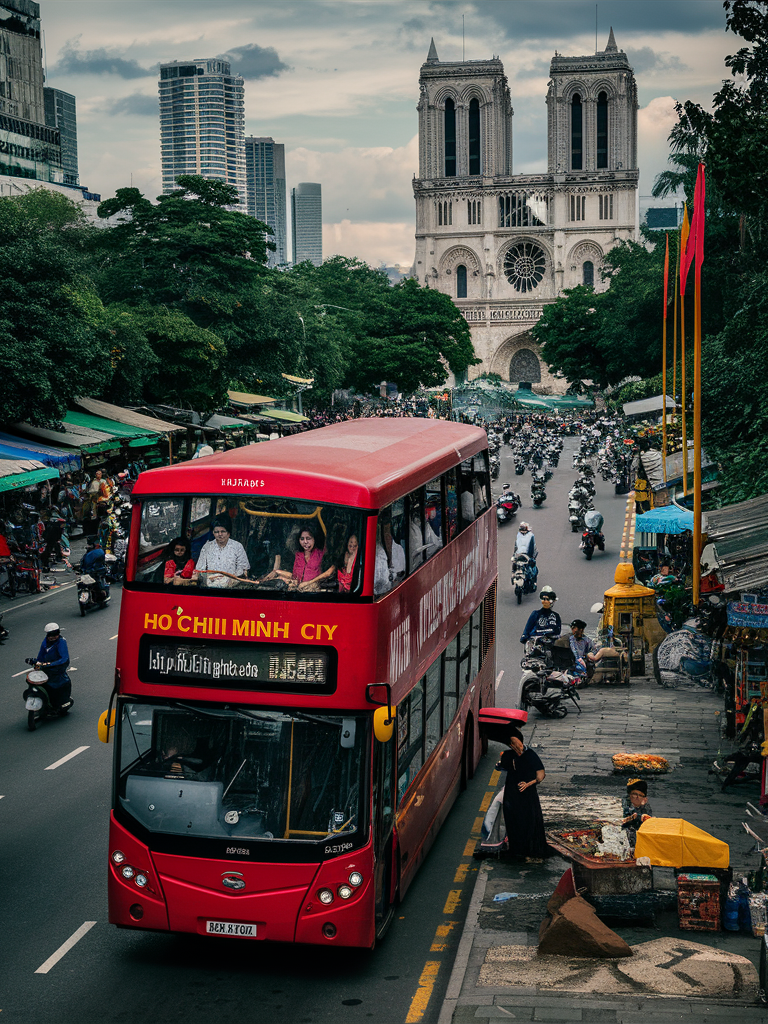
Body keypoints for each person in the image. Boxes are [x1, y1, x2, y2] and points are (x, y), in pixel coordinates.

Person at [496, 728, 547, 861]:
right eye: (512, 743)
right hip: (512, 794)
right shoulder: (508, 755)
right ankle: (516, 849)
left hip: (527, 796)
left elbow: (540, 775)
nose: (515, 746)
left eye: (516, 742)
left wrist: (528, 784)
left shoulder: (530, 755)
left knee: (528, 821)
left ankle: (530, 850)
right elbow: (503, 766)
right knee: (513, 820)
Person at [194, 517, 249, 588]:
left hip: (232, 586)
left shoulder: (237, 546)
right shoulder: (207, 547)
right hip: (210, 585)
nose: (220, 534)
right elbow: (200, 569)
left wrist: (230, 579)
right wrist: (209, 578)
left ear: (228, 533)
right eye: (216, 532)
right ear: (213, 533)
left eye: (223, 531)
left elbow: (243, 570)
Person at [34, 622, 72, 709]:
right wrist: (37, 663)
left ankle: (61, 701)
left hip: (59, 666)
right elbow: (41, 655)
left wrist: (51, 664)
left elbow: (64, 658)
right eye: (51, 635)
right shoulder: (45, 642)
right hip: (48, 665)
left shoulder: (61, 642)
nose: (53, 637)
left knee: (58, 682)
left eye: (56, 634)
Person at [568, 619, 615, 684]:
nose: (573, 630)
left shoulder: (586, 640)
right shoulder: (570, 639)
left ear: (581, 630)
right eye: (572, 628)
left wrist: (589, 655)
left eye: (574, 628)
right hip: (573, 663)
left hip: (584, 662)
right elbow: (571, 652)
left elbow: (594, 649)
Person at [621, 778, 653, 844]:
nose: (637, 797)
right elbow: (627, 816)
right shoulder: (625, 803)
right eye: (635, 794)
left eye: (640, 795)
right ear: (630, 795)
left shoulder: (646, 806)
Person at [82, 537, 110, 602]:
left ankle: (102, 593)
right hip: (90, 572)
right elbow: (83, 562)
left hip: (97, 571)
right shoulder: (89, 554)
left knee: (99, 582)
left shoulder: (98, 552)